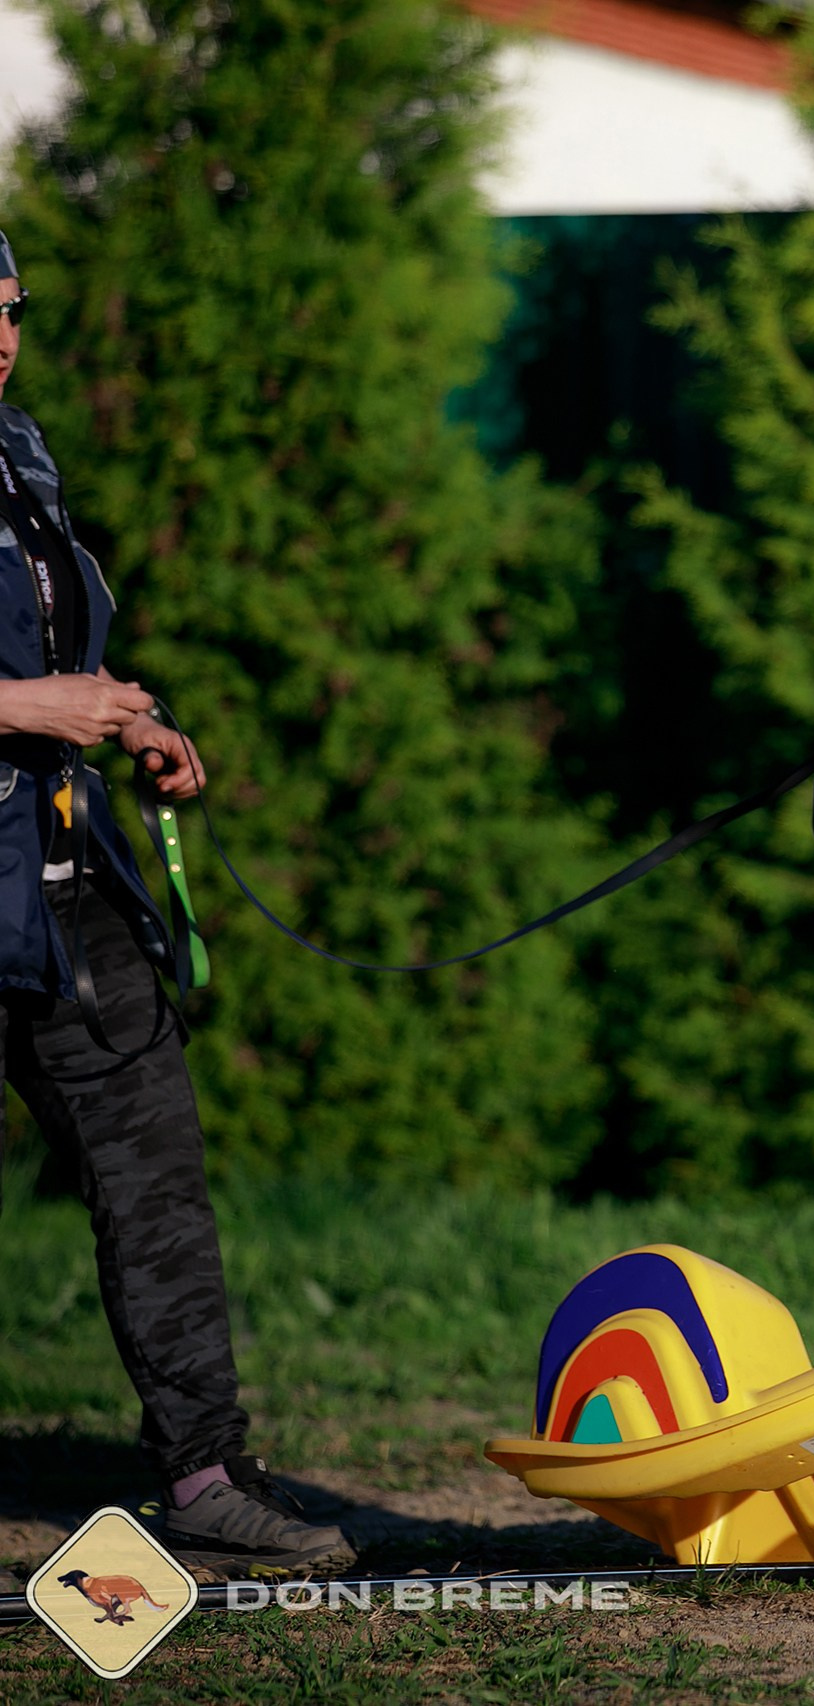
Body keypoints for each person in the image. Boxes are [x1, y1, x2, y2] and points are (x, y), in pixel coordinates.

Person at [0, 230, 354, 1578]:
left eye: (13, 311)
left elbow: (42, 645)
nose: (0, 337)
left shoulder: (21, 450)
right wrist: (37, 707)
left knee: (153, 1172)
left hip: (56, 879)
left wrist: (127, 712)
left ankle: (206, 1473)